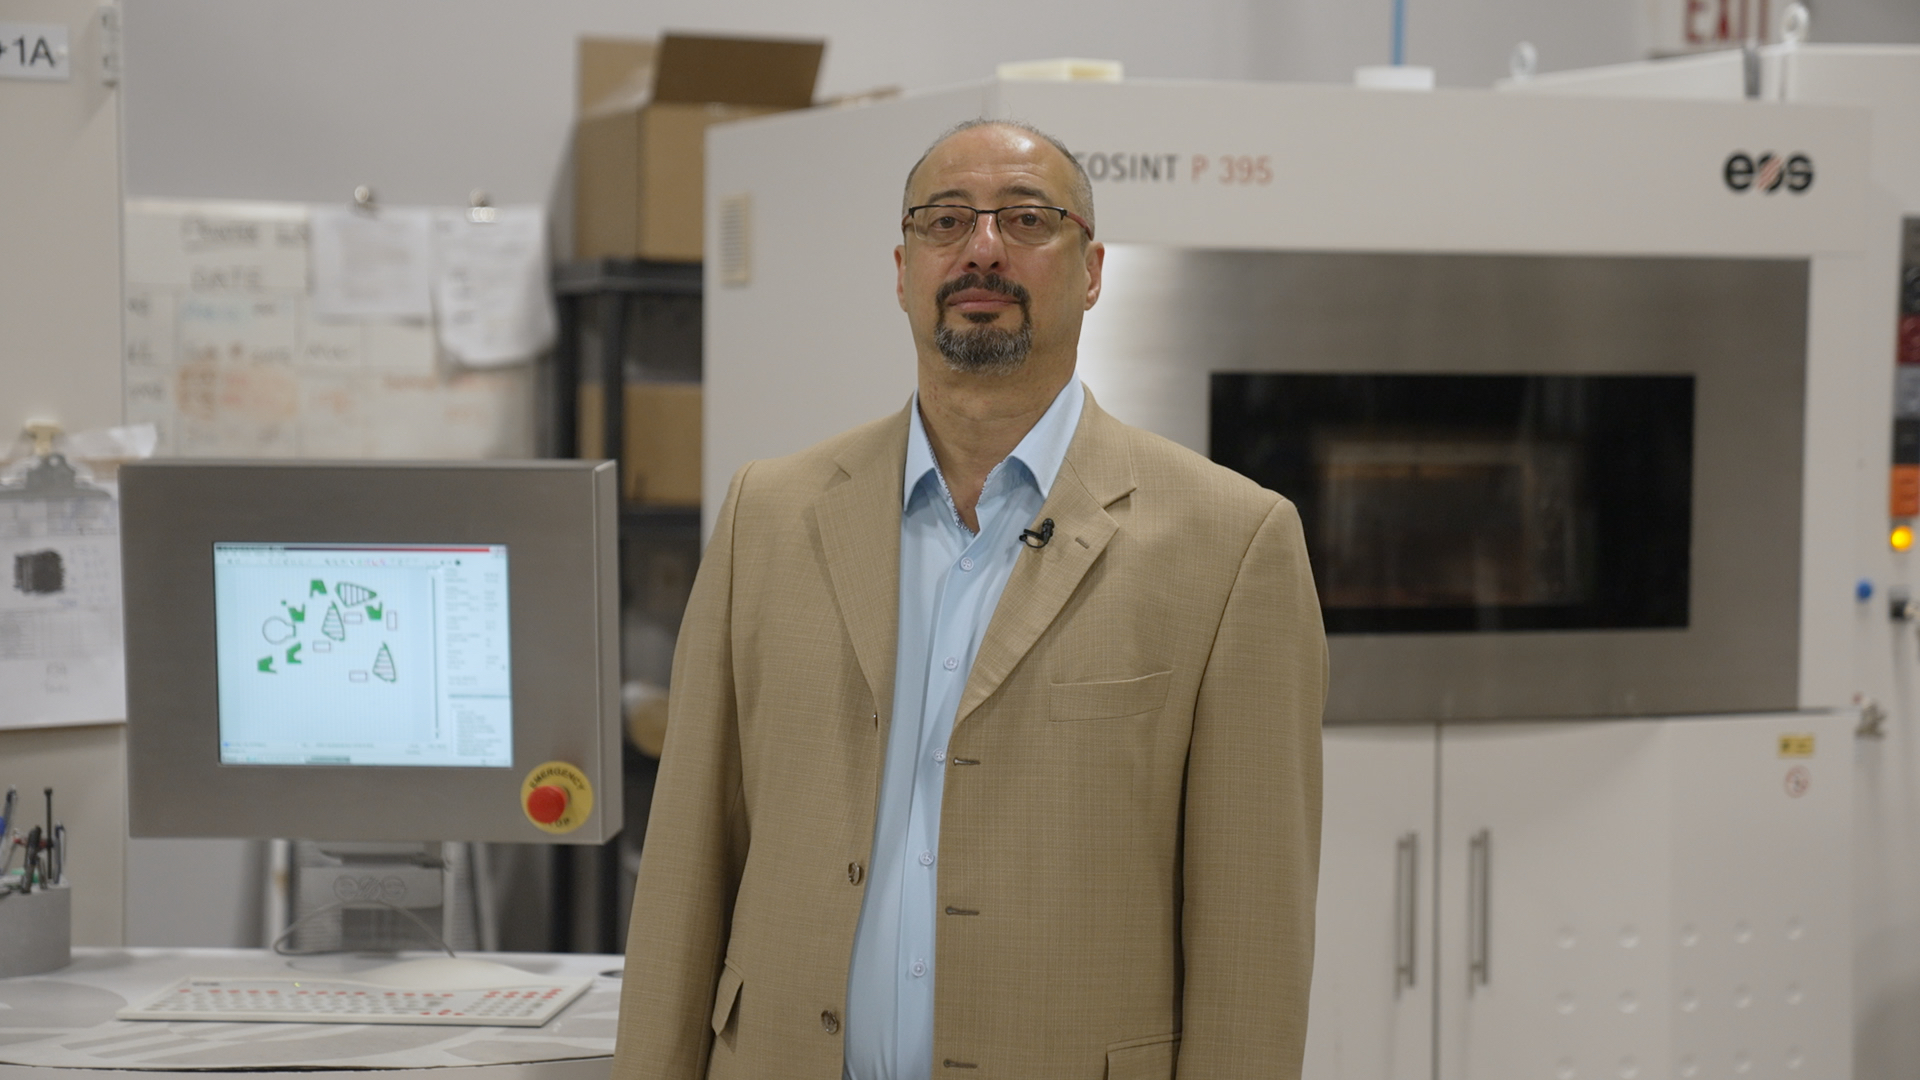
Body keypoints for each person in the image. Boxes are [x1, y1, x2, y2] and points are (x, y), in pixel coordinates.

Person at [613, 119, 1326, 1080]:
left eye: (1027, 219)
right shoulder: (767, 517)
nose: (982, 248)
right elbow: (686, 871)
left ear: (1092, 270)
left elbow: (1253, 944)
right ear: (903, 268)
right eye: (947, 220)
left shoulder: (1233, 545)